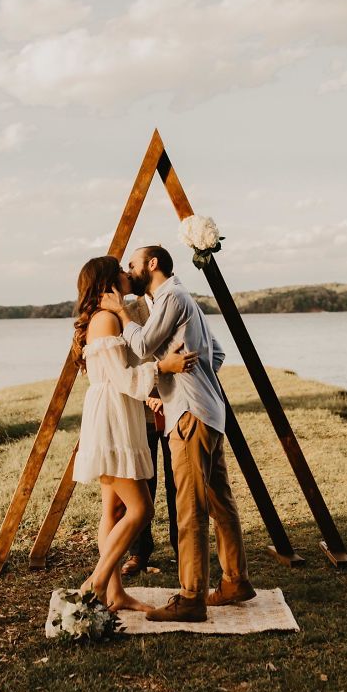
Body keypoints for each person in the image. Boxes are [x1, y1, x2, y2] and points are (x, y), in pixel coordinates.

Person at [101, 245, 256, 623]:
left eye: (133, 265)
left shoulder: (171, 297)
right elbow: (216, 354)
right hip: (208, 411)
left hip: (188, 415)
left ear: (152, 264)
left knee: (190, 509)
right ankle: (234, 581)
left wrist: (121, 312)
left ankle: (190, 598)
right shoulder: (183, 299)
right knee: (219, 501)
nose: (129, 271)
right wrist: (187, 380)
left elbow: (142, 345)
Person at [71, 255, 198, 613]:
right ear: (109, 281)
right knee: (140, 509)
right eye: (121, 271)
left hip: (116, 411)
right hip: (112, 417)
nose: (128, 274)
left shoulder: (109, 316)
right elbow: (125, 380)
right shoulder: (106, 319)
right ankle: (96, 583)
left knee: (112, 509)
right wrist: (163, 367)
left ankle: (116, 593)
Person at [121, 295, 179, 576]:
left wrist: (168, 395)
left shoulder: (176, 303)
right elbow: (123, 363)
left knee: (179, 482)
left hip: (176, 406)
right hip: (140, 410)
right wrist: (148, 392)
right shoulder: (128, 310)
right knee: (143, 481)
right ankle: (139, 552)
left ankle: (184, 549)